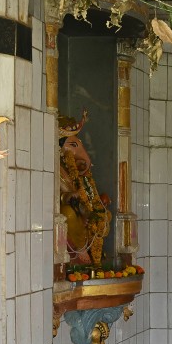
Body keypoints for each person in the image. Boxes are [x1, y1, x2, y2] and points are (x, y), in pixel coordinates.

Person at [58, 113, 111, 266]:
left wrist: (100, 201)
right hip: (67, 211)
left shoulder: (81, 174)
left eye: (78, 145)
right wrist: (67, 197)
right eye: (72, 146)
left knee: (103, 215)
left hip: (82, 210)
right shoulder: (55, 168)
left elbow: (87, 193)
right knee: (67, 213)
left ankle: (94, 251)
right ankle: (80, 248)